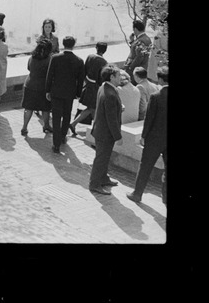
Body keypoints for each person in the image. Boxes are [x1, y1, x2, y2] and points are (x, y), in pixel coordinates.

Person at [127, 65, 167, 204]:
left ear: (160, 80)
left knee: (145, 167)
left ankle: (137, 194)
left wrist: (144, 136)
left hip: (154, 139)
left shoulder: (156, 97)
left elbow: (149, 119)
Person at [45, 35, 85, 154]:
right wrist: (78, 93)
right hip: (70, 93)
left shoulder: (55, 58)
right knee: (67, 115)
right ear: (74, 44)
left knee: (56, 118)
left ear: (63, 44)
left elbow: (49, 75)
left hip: (56, 92)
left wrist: (48, 90)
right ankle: (63, 136)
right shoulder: (78, 61)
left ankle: (56, 144)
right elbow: (80, 79)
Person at [88, 64, 123, 195]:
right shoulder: (110, 94)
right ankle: (95, 184)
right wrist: (118, 136)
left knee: (105, 157)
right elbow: (111, 119)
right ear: (112, 77)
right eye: (118, 75)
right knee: (101, 158)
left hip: (100, 130)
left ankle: (103, 178)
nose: (120, 78)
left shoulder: (104, 87)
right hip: (105, 133)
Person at [68, 41, 108, 136]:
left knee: (92, 108)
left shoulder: (90, 56)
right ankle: (93, 129)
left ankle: (90, 127)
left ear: (96, 48)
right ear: (105, 50)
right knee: (93, 108)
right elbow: (100, 78)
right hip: (95, 87)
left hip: (88, 84)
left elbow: (84, 70)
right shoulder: (104, 62)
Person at [20, 37, 54, 135]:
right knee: (45, 108)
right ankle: (46, 125)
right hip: (43, 87)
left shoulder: (32, 58)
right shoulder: (49, 60)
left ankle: (24, 127)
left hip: (29, 84)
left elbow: (29, 68)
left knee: (28, 108)